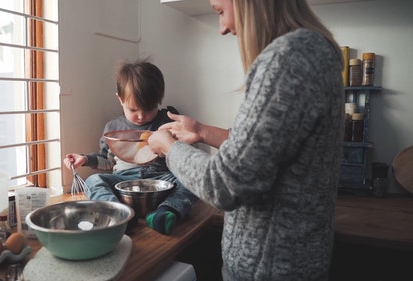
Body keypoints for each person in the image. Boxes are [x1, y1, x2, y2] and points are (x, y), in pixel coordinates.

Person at [148, 0, 344, 280]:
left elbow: (226, 184)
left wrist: (169, 148)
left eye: (220, 11)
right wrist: (202, 131)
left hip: (270, 270)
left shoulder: (289, 57)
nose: (223, 28)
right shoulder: (312, 51)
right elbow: (269, 150)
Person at [64, 58, 198, 235]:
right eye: (133, 110)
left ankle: (166, 212)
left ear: (159, 100)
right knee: (93, 181)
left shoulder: (167, 123)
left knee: (192, 180)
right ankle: (120, 213)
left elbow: (180, 155)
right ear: (120, 99)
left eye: (149, 109)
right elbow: (108, 161)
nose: (141, 116)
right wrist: (86, 159)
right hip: (124, 183)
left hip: (162, 182)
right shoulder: (113, 129)